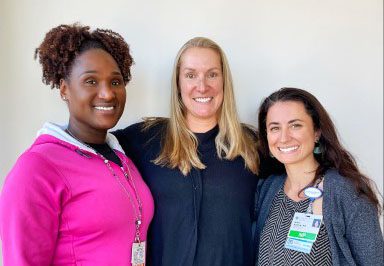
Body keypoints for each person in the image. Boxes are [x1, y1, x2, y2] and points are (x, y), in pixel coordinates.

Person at [0, 24, 154, 265]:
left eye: (115, 82)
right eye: (91, 81)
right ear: (64, 89)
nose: (107, 93)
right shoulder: (37, 167)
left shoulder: (122, 157)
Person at [114, 37, 260, 266]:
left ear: (224, 81)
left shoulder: (252, 145)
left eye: (212, 74)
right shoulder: (144, 139)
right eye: (191, 75)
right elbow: (88, 146)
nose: (202, 86)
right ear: (178, 83)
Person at [254, 87, 383, 265]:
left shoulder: (346, 191)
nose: (284, 138)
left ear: (317, 132)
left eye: (295, 125)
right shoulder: (267, 189)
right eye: (275, 128)